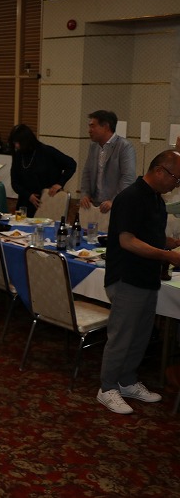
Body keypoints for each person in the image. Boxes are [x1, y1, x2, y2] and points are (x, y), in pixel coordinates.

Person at [97, 149, 180, 414]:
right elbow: (128, 241)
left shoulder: (156, 199)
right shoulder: (131, 197)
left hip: (147, 278)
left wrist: (170, 243)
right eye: (176, 179)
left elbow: (149, 235)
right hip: (127, 277)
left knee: (140, 335)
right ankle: (107, 387)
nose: (176, 185)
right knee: (122, 336)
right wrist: (167, 255)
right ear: (160, 171)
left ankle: (127, 381)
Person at [9, 124, 76, 217]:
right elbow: (14, 182)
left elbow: (71, 164)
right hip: (24, 204)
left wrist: (60, 183)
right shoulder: (18, 155)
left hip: (47, 202)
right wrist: (29, 196)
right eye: (14, 143)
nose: (16, 146)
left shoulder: (46, 151)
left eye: (18, 142)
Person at [80, 110, 136, 214]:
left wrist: (114, 201)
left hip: (115, 206)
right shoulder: (93, 146)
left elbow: (128, 178)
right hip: (95, 204)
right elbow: (87, 172)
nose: (89, 130)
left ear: (106, 127)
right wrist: (85, 194)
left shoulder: (124, 146)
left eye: (93, 126)